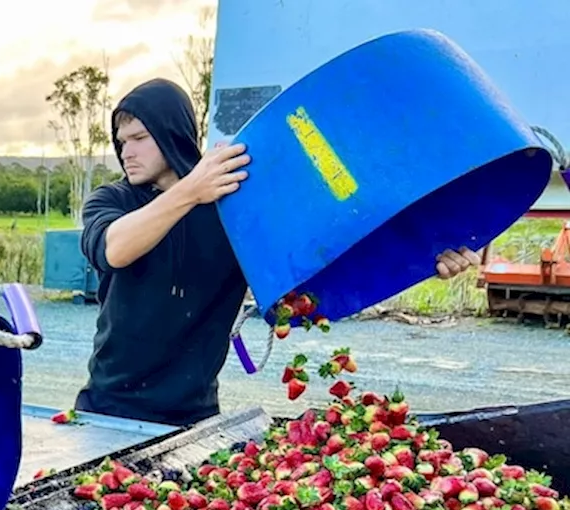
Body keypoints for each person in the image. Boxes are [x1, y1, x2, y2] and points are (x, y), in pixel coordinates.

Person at [75, 78, 480, 427]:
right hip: (108, 408)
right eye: (122, 140)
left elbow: (318, 270)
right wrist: (190, 191)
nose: (126, 151)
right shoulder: (112, 200)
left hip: (192, 418)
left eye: (140, 138)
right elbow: (115, 249)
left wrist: (423, 259)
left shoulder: (234, 211)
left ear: (171, 133)